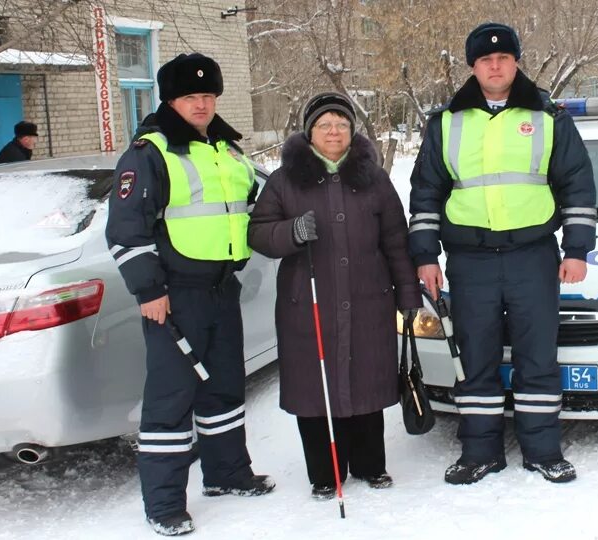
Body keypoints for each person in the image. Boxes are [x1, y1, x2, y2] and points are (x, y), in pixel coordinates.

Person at [407, 22, 596, 485]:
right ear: (473, 66)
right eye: (486, 60)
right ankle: (480, 452)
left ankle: (542, 450)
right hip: (470, 261)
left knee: (537, 356)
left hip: (533, 256)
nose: (495, 65)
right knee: (476, 359)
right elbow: (426, 193)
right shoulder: (447, 122)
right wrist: (426, 256)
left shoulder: (548, 117)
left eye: (504, 58)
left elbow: (576, 184)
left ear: (515, 63)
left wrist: (575, 249)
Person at [105, 53, 274, 537]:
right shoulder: (150, 152)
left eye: (207, 96)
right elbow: (125, 230)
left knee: (223, 387)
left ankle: (226, 474)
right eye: (190, 97)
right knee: (171, 398)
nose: (201, 104)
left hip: (222, 289)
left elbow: (249, 207)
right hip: (175, 296)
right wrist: (150, 290)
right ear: (171, 100)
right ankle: (163, 505)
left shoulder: (227, 149)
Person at [248, 92, 422, 500]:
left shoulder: (373, 178)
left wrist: (408, 295)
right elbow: (257, 232)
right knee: (316, 390)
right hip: (306, 304)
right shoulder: (284, 180)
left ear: (351, 131)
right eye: (325, 125)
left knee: (366, 382)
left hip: (369, 300)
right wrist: (290, 232)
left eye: (341, 124)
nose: (333, 131)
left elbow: (397, 241)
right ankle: (325, 475)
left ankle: (369, 465)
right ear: (310, 132)